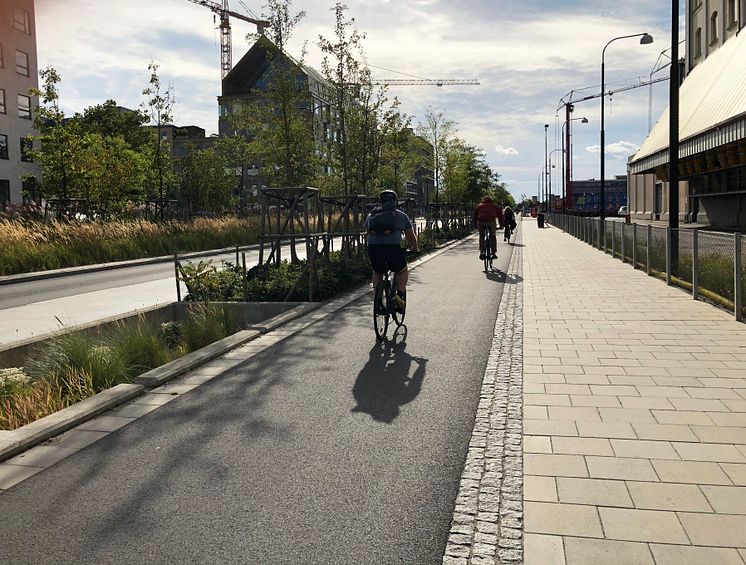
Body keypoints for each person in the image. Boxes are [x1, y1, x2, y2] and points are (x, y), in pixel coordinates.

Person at [365, 189, 419, 313]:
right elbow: (410, 236)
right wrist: (415, 249)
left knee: (377, 272)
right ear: (395, 201)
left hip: (374, 249)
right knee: (402, 270)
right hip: (392, 249)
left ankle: (378, 302)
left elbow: (367, 234)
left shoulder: (371, 215)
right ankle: (399, 296)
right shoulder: (401, 215)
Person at [473, 196, 502, 260]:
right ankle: (493, 253)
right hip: (491, 222)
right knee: (492, 236)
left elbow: (475, 216)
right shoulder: (494, 206)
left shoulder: (479, 206)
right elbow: (500, 215)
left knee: (482, 236)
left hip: (481, 222)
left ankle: (482, 251)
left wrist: (475, 226)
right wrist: (501, 225)